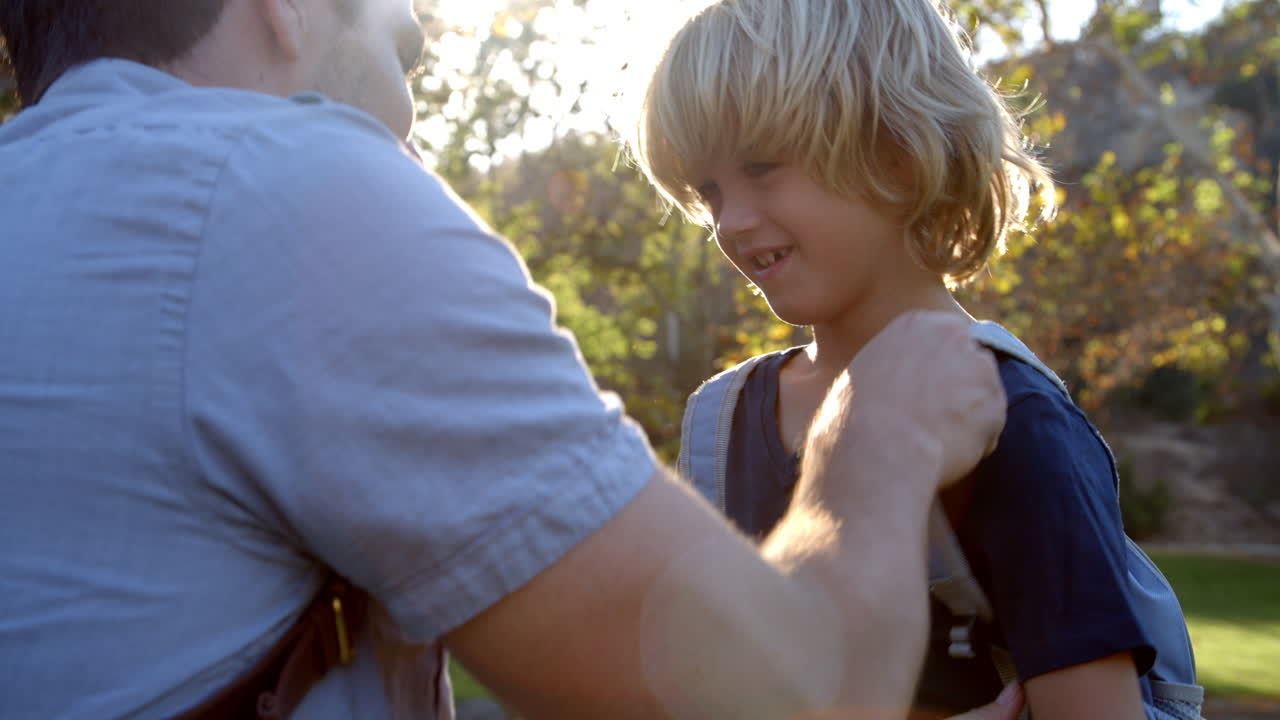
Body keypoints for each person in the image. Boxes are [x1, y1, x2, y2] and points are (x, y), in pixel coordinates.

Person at [0, 1, 1024, 718]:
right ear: (284, 7)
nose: (404, 119)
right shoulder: (285, 187)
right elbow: (792, 704)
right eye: (404, 50)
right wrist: (875, 437)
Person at [625, 0, 1198, 718]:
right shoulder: (723, 424)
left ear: (896, 149)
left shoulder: (1012, 421)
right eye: (709, 190)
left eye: (763, 168)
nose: (730, 222)